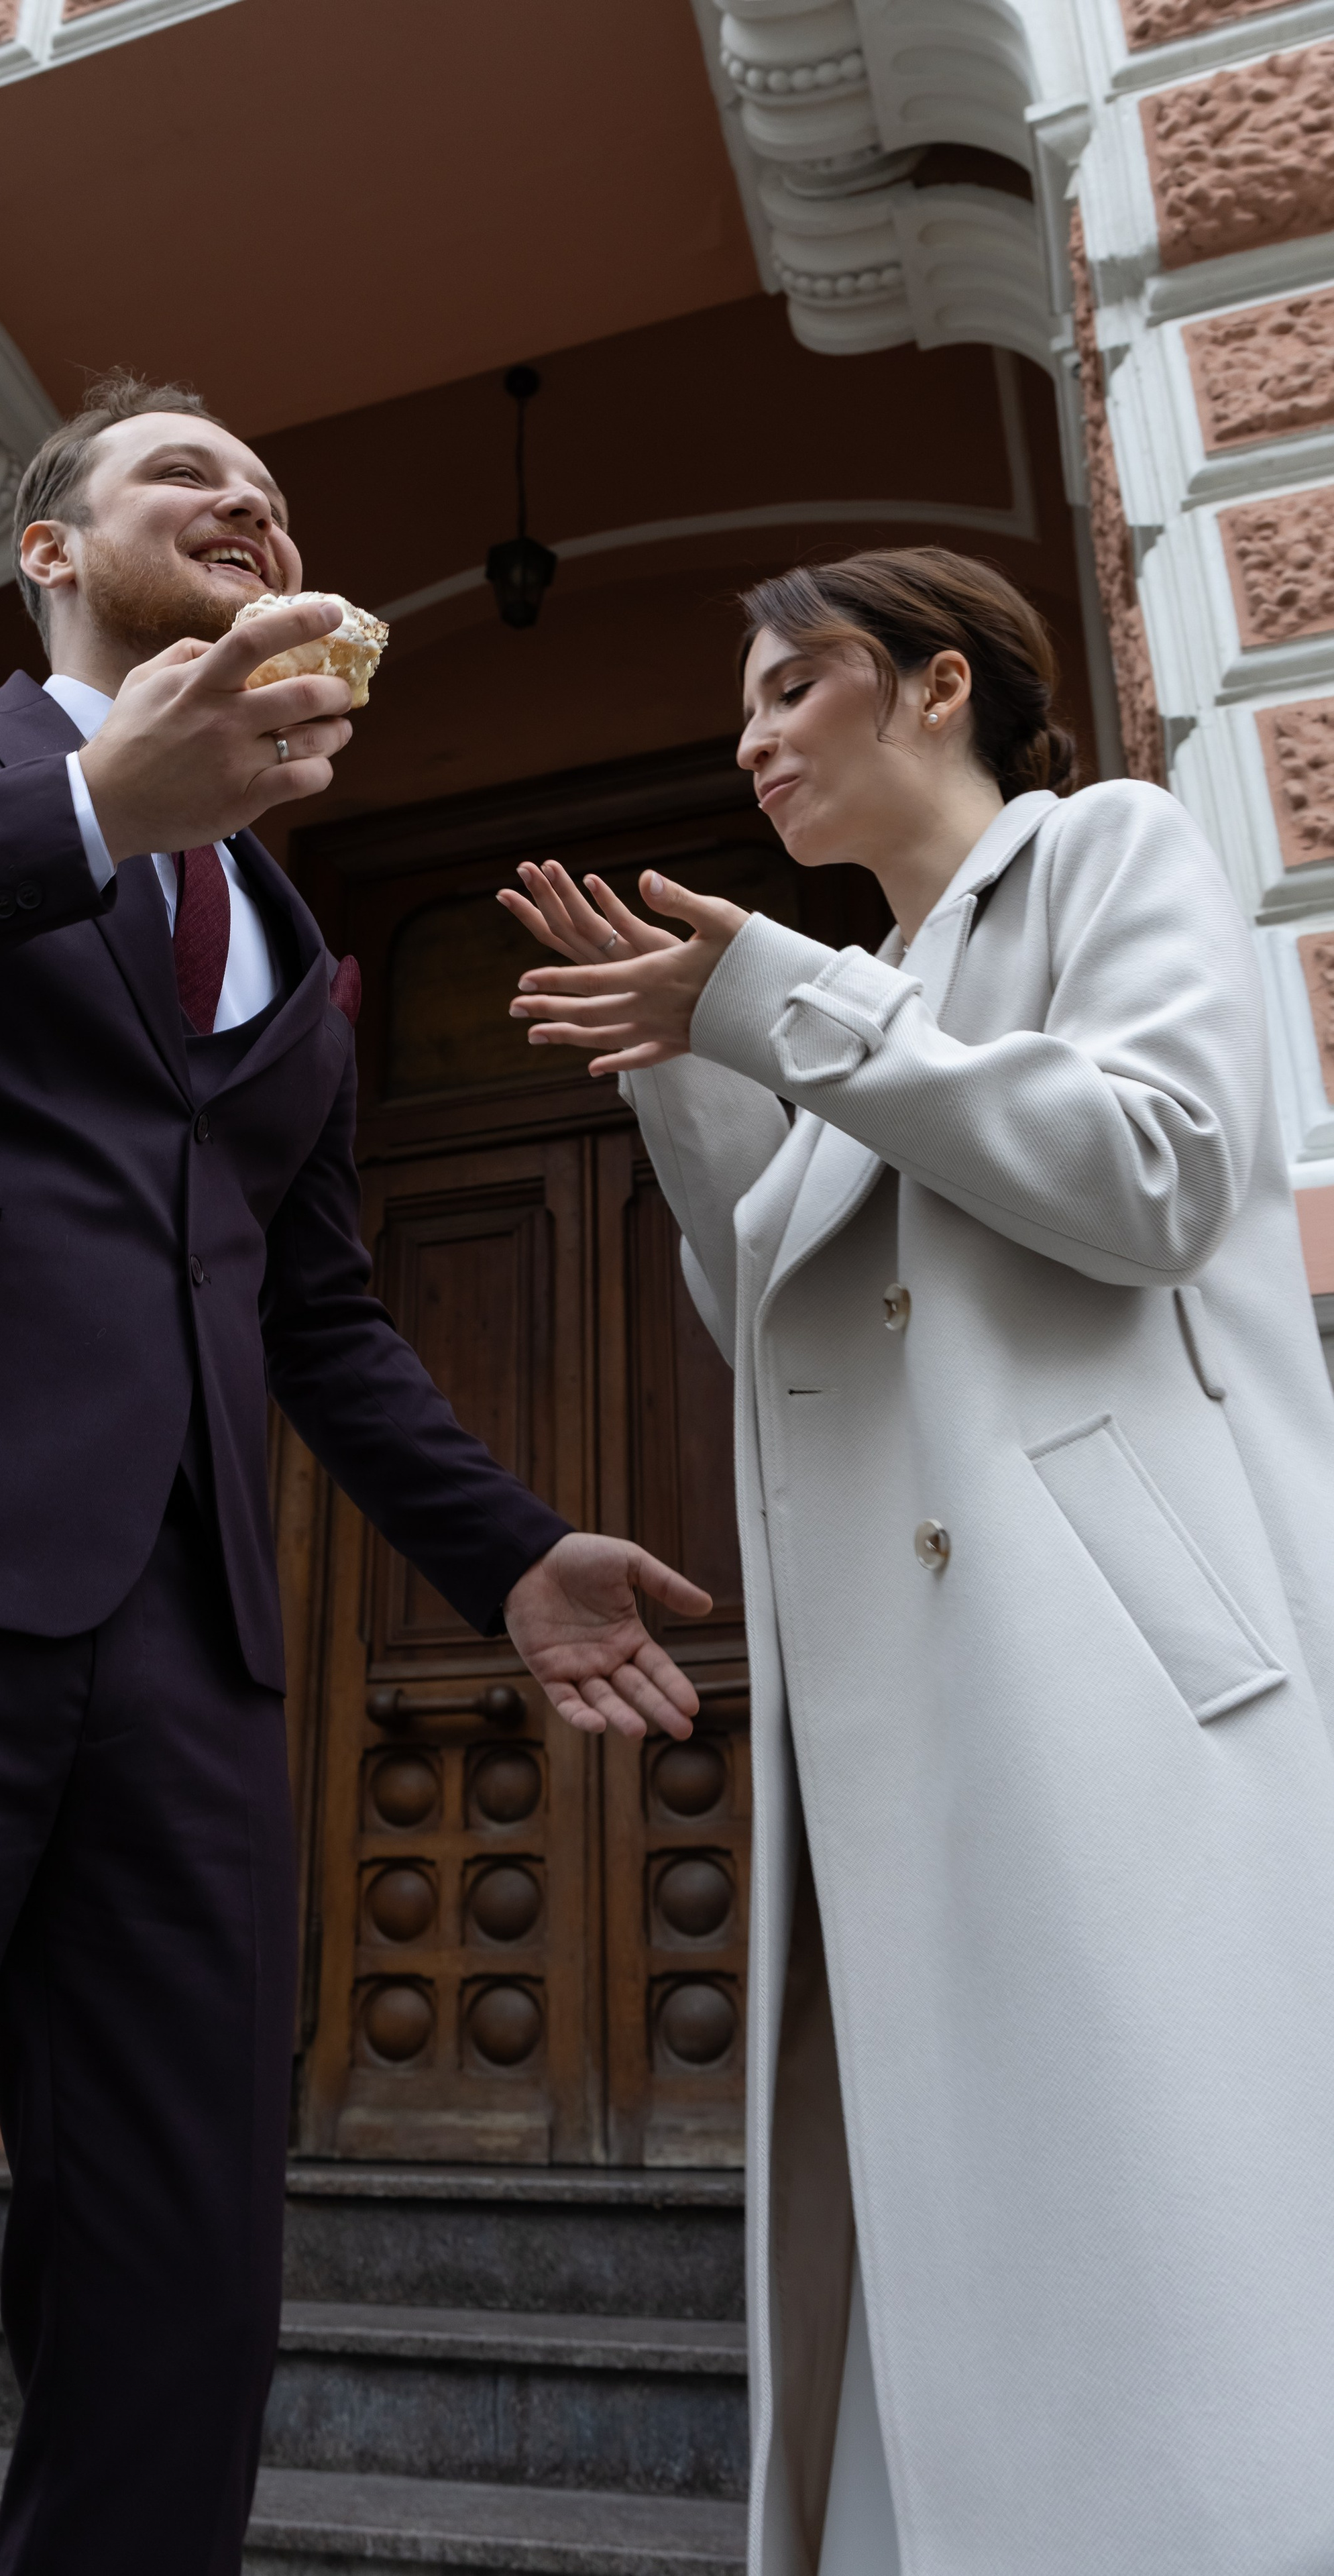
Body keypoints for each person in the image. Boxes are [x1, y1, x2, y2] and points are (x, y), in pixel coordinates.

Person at [0, 371, 711, 2574]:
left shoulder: (298, 953)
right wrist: (101, 808)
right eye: (189, 474)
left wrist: (500, 1554)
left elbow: (312, 1315)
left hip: (186, 1658)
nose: (253, 504)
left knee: (183, 2293)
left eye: (275, 496)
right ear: (49, 549)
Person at [501, 547, 1334, 2576]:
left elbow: (1148, 1175)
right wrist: (700, 1079)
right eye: (748, 706)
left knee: (1164, 2228)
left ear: (940, 684)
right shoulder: (863, 993)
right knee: (963, 2245)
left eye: (797, 688)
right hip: (900, 1719)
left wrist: (773, 1005)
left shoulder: (1103, 854)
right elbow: (785, 1335)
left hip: (1116, 1675)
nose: (755, 737)